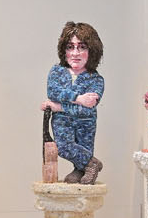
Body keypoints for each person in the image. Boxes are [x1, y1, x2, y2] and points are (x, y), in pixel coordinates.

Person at [42, 20, 104, 183]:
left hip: (86, 123)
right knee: (63, 147)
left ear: (92, 50)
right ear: (64, 50)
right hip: (62, 122)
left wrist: (58, 106)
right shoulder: (57, 71)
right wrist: (79, 98)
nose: (75, 53)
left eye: (82, 47)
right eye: (70, 47)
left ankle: (81, 170)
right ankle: (92, 163)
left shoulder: (96, 80)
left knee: (84, 146)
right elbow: (53, 91)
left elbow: (88, 109)